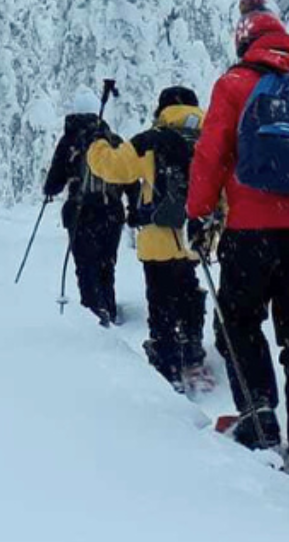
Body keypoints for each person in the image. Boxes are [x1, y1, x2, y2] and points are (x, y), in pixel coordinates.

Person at [186, 9, 289, 492]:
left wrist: (198, 211)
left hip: (249, 229)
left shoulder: (235, 83)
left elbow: (211, 153)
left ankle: (259, 415)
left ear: (243, 42)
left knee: (240, 321)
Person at [84, 86, 214, 392]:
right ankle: (192, 346)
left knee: (161, 298)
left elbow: (113, 169)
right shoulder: (211, 139)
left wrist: (97, 144)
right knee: (188, 287)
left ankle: (167, 358)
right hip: (197, 236)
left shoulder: (151, 140)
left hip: (158, 237)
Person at [43, 89, 127, 326]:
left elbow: (53, 184)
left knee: (86, 265)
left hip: (81, 211)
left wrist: (50, 190)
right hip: (112, 210)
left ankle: (93, 313)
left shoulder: (70, 141)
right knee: (106, 263)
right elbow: (128, 176)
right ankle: (109, 308)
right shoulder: (112, 139)